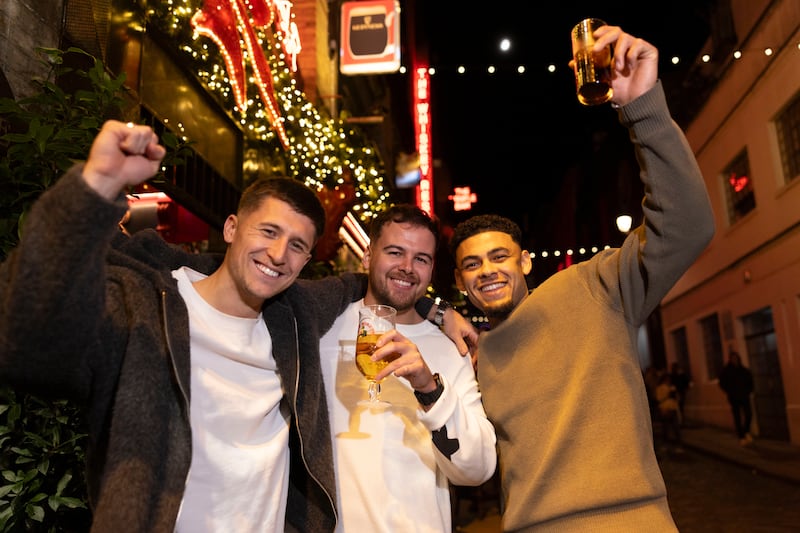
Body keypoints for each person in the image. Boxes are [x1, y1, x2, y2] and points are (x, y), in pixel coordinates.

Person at [0, 121, 472, 532]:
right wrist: (93, 188)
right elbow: (27, 347)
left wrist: (436, 309)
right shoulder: (145, 305)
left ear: (307, 260)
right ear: (230, 228)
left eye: (297, 246)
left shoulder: (296, 315)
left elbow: (376, 281)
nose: (278, 254)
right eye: (268, 231)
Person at [448, 25, 715, 531]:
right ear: (460, 282)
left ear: (526, 262)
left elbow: (687, 227)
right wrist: (435, 313)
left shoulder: (593, 287)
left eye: (500, 256)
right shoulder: (474, 358)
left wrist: (641, 108)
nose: (488, 271)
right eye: (472, 264)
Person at [318, 204, 496, 532]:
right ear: (368, 256)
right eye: (395, 252)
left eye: (421, 259)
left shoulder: (451, 348)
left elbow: (477, 470)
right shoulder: (323, 328)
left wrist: (430, 389)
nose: (407, 268)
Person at [719, 350, 755, 445]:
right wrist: (729, 391)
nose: (734, 360)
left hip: (744, 395)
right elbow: (722, 383)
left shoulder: (743, 370)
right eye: (733, 358)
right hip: (734, 397)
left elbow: (750, 380)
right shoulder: (726, 371)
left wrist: (749, 390)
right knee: (737, 417)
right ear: (730, 359)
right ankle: (741, 436)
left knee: (749, 414)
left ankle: (746, 431)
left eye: (736, 358)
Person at [655, 372, 682, 449]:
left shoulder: (672, 387)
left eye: (669, 379)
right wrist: (668, 394)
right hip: (665, 409)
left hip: (673, 409)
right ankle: (665, 444)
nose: (668, 380)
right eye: (667, 379)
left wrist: (676, 395)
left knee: (676, 428)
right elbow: (659, 399)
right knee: (665, 428)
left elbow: (677, 399)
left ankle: (678, 445)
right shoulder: (660, 388)